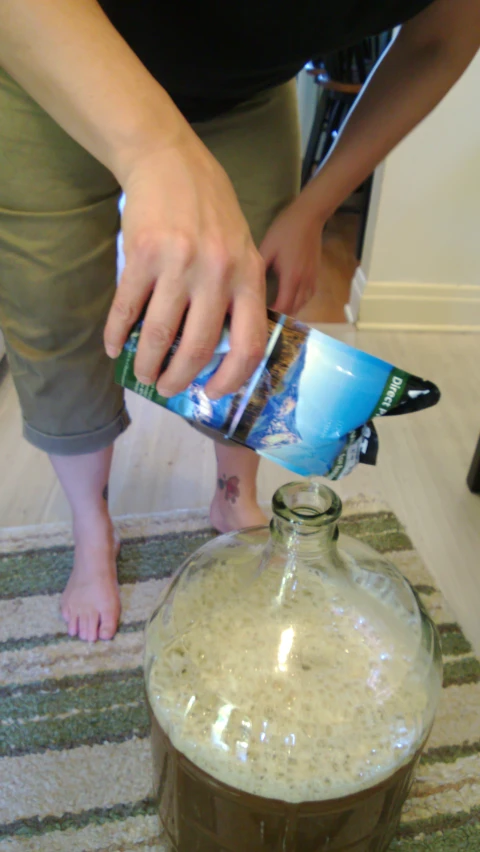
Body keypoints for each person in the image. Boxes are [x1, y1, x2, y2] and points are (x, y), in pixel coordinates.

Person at [0, 0, 478, 643]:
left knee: (257, 313)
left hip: (240, 93)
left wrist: (316, 207)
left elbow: (443, 38)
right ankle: (92, 527)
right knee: (57, 318)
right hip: (50, 55)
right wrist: (154, 151)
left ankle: (233, 494)